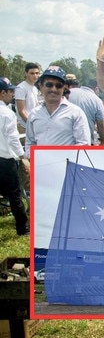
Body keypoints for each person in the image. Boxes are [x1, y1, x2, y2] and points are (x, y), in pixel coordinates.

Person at [25, 66, 91, 156]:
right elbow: (30, 142)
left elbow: (84, 144)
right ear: (41, 87)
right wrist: (32, 158)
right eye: (49, 85)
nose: (53, 89)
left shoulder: (76, 113)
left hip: (66, 167)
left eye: (58, 85)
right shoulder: (34, 114)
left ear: (64, 88)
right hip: (40, 167)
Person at [0, 77, 29, 236]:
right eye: (10, 91)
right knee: (14, 195)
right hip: (5, 160)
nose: (12, 94)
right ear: (2, 93)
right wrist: (22, 156)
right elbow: (12, 138)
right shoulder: (6, 113)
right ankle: (22, 228)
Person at [14, 62, 41, 132]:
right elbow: (21, 111)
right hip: (24, 126)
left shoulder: (35, 89)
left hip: (34, 124)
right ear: (26, 73)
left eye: (37, 73)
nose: (35, 76)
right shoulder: (21, 88)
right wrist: (31, 124)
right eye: (32, 73)